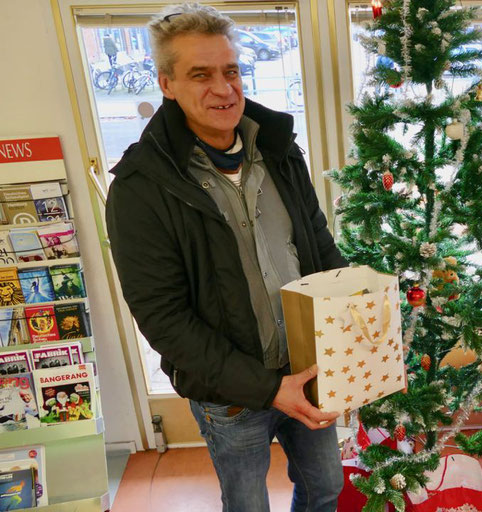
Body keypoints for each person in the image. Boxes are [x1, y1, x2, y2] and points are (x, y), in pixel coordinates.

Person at [105, 4, 346, 511]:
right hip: (230, 398)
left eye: (230, 70)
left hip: (308, 371)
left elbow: (318, 247)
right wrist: (266, 388)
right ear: (167, 83)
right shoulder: (141, 187)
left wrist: (354, 332)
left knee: (325, 489)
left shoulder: (279, 149)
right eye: (201, 74)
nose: (224, 88)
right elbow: (164, 319)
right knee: (247, 505)